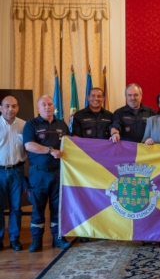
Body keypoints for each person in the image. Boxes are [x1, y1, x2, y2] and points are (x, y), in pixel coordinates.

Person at [23, 95, 71, 252]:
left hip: (58, 172)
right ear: (38, 108)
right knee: (38, 207)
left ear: (54, 106)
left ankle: (58, 238)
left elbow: (70, 144)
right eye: (43, 105)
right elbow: (29, 145)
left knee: (58, 208)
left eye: (50, 104)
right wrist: (50, 150)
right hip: (39, 173)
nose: (47, 107)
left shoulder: (62, 124)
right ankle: (36, 240)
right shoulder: (31, 124)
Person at [71, 87, 113, 243]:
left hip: (105, 164)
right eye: (93, 96)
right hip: (86, 164)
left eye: (100, 96)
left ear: (103, 98)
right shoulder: (79, 115)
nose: (96, 98)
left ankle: (104, 230)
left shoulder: (110, 116)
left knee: (105, 197)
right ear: (88, 97)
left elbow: (114, 133)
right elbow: (75, 137)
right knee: (87, 197)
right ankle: (85, 230)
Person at [0, 96, 27, 251]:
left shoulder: (24, 125)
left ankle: (14, 239)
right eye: (7, 106)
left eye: (14, 106)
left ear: (17, 108)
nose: (11, 109)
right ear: (1, 108)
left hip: (17, 170)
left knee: (16, 207)